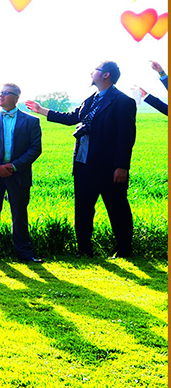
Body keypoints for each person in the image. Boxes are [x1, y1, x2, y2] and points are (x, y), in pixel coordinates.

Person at [26, 61, 137, 258]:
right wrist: (42, 110)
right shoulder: (91, 99)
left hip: (109, 167)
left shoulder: (123, 102)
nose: (91, 72)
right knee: (83, 209)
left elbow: (126, 137)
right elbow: (71, 117)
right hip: (83, 164)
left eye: (96, 70)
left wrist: (122, 166)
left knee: (117, 208)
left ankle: (124, 250)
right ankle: (84, 250)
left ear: (106, 75)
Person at [0, 83, 43, 263]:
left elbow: (35, 148)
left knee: (20, 215)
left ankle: (25, 254)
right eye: (0, 93)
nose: (1, 96)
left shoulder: (31, 121)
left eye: (6, 94)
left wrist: (14, 166)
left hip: (19, 174)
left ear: (16, 98)